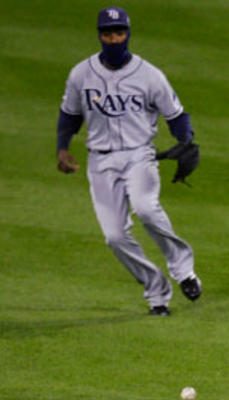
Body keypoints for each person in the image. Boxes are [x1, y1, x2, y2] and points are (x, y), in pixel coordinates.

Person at [56, 6, 201, 316]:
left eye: (119, 32)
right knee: (114, 237)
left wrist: (186, 140)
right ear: (99, 35)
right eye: (107, 33)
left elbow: (176, 115)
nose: (113, 39)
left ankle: (183, 270)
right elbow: (69, 115)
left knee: (147, 209)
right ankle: (157, 293)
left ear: (128, 34)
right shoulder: (81, 74)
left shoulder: (150, 75)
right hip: (100, 161)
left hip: (139, 156)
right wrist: (63, 148)